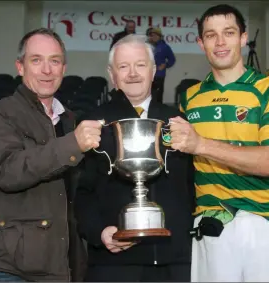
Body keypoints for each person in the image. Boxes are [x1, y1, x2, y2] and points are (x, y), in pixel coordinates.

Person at [170, 4, 269, 282]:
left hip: (265, 223)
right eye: (211, 35)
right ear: (200, 43)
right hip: (210, 224)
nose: (220, 42)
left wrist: (201, 145)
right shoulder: (189, 98)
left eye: (229, 33)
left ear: (243, 38)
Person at [0, 28, 102, 282]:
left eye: (55, 61)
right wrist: (71, 144)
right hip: (4, 267)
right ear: (20, 66)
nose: (47, 70)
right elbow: (8, 171)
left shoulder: (69, 121)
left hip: (57, 266)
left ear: (63, 68)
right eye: (36, 60)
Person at [74, 34, 195, 282]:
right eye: (123, 66)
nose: (132, 73)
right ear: (112, 74)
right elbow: (79, 192)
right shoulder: (91, 124)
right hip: (114, 263)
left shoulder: (178, 122)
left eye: (140, 65)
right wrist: (99, 233)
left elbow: (191, 188)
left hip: (174, 263)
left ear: (153, 71)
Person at [148, 27, 176, 103]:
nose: (153, 37)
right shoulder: (147, 46)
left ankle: (159, 112)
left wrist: (165, 65)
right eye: (152, 35)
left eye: (155, 35)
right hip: (148, 74)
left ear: (160, 36)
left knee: (158, 95)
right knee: (147, 95)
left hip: (159, 75)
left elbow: (172, 59)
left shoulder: (165, 47)